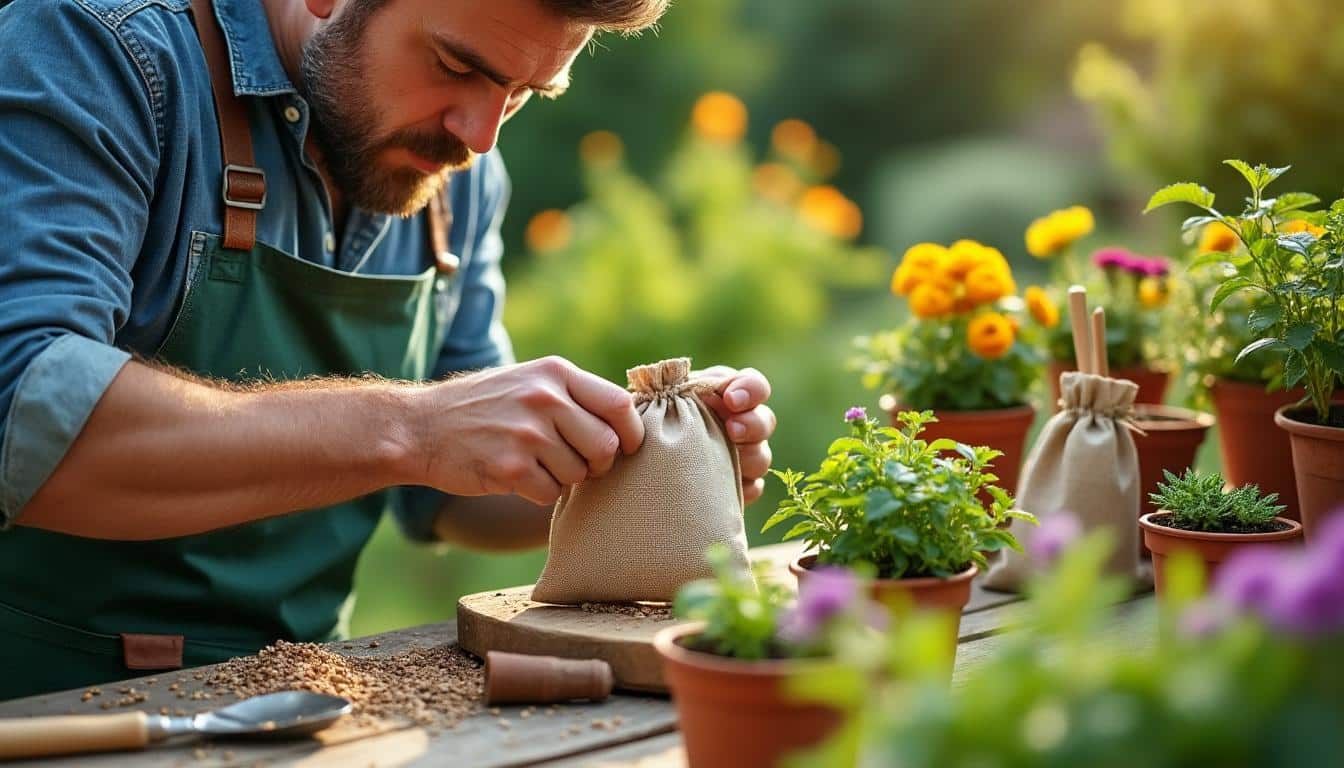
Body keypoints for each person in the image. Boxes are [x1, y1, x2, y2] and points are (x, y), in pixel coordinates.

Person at [0, 0, 777, 699]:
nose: (480, 135)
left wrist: (652, 463)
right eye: (457, 66)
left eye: (522, 95)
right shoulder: (96, 48)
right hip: (45, 704)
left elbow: (444, 493)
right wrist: (413, 427)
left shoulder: (458, 177)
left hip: (295, 697)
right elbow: (23, 412)